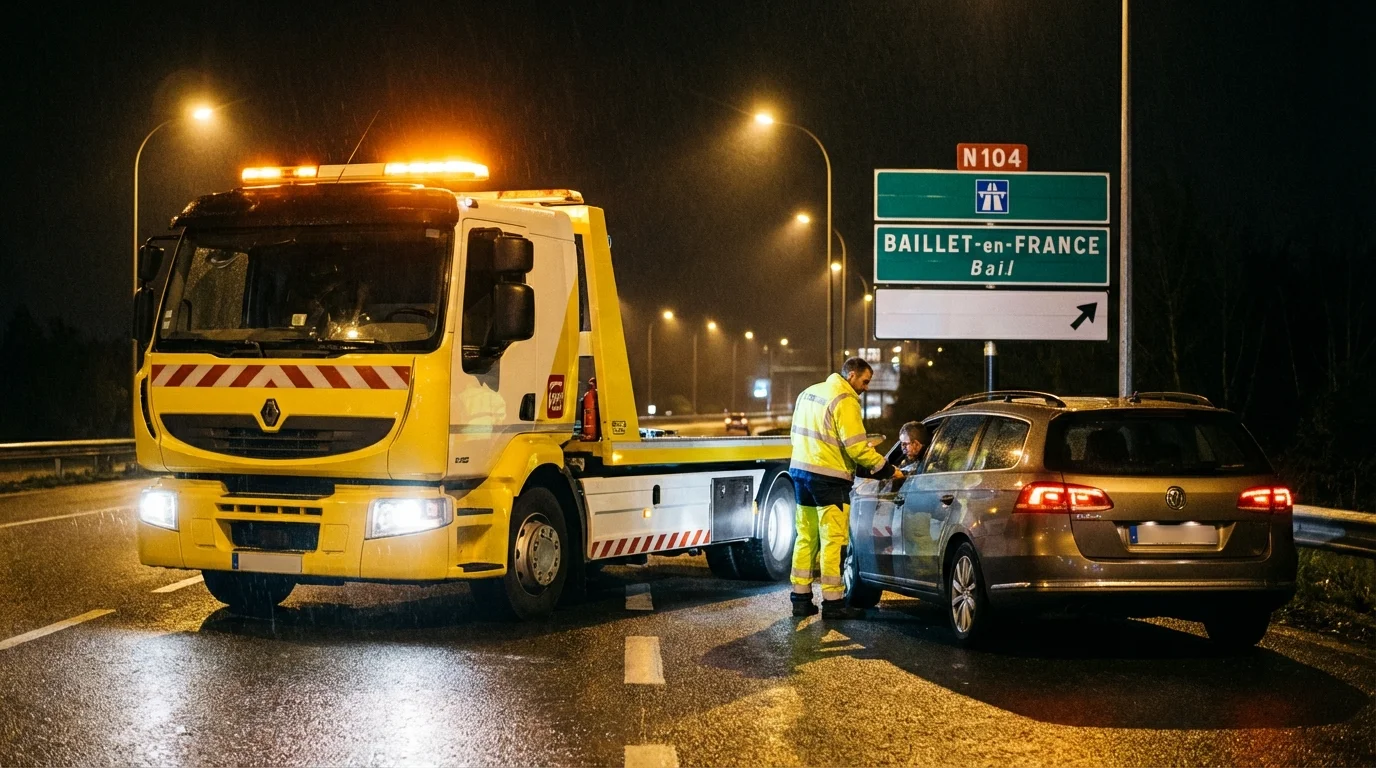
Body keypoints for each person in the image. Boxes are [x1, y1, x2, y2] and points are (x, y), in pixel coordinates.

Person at [788, 357, 903, 619]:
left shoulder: (808, 393)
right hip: (829, 479)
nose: (866, 387)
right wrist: (887, 469)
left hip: (800, 473)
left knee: (805, 536)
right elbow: (857, 447)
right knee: (833, 540)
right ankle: (833, 603)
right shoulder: (845, 399)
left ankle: (801, 599)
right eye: (865, 381)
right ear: (851, 375)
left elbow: (796, 435)